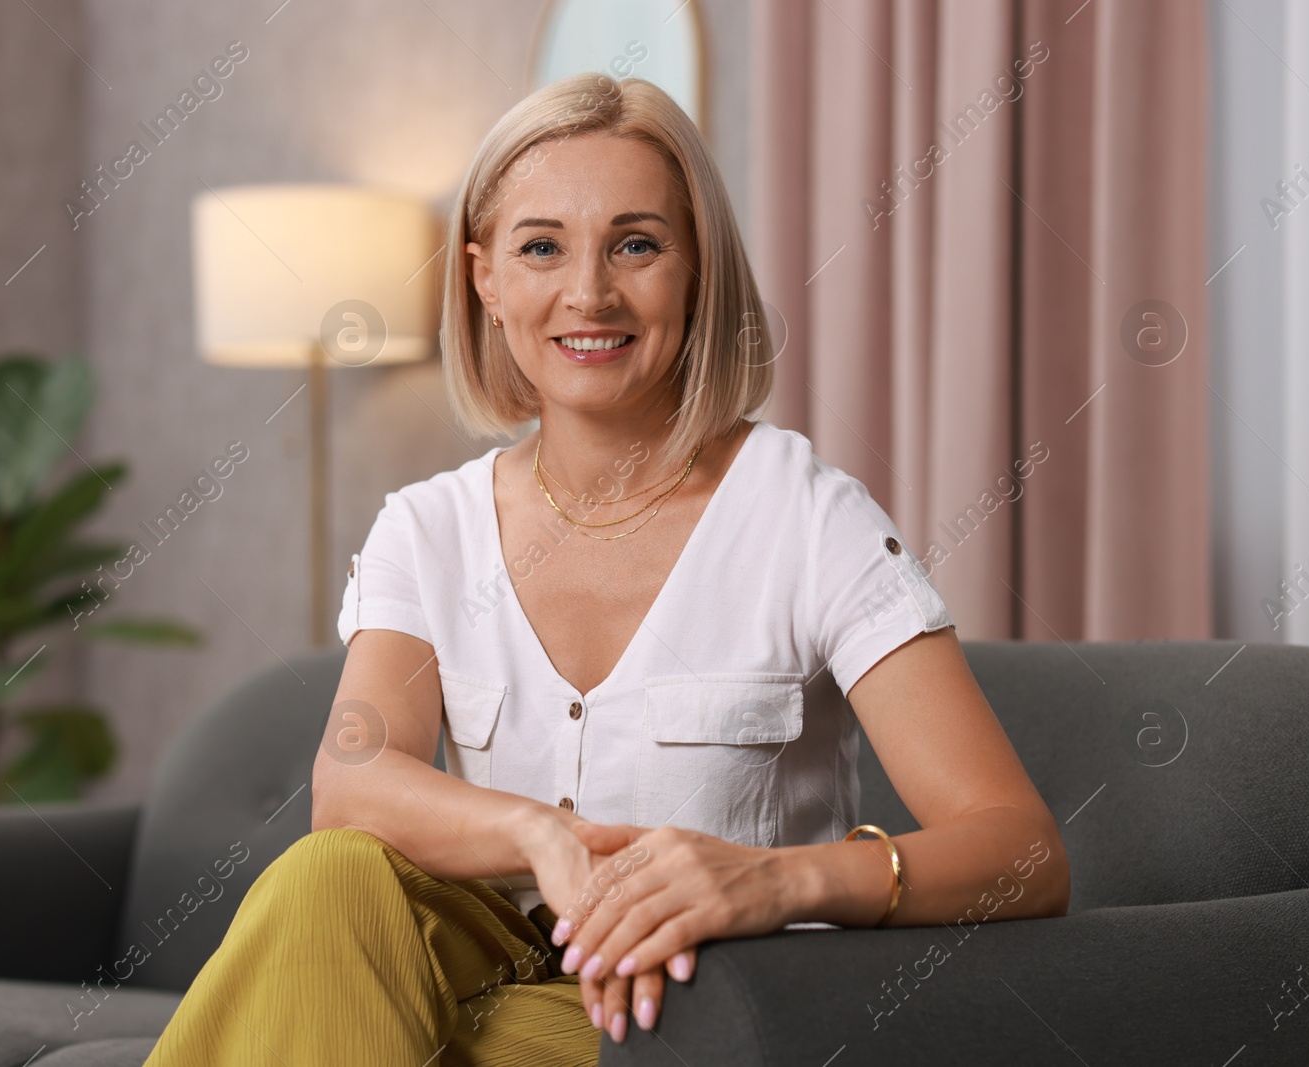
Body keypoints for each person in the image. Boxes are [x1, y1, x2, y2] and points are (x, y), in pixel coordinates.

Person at [144, 72, 1069, 1067]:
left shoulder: (808, 517)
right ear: (484, 279)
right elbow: (354, 784)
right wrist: (544, 835)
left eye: (636, 243)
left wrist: (773, 880)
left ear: (696, 271)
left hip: (710, 1010)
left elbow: (1020, 850)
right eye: (540, 246)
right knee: (330, 879)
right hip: (489, 968)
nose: (589, 293)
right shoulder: (427, 527)